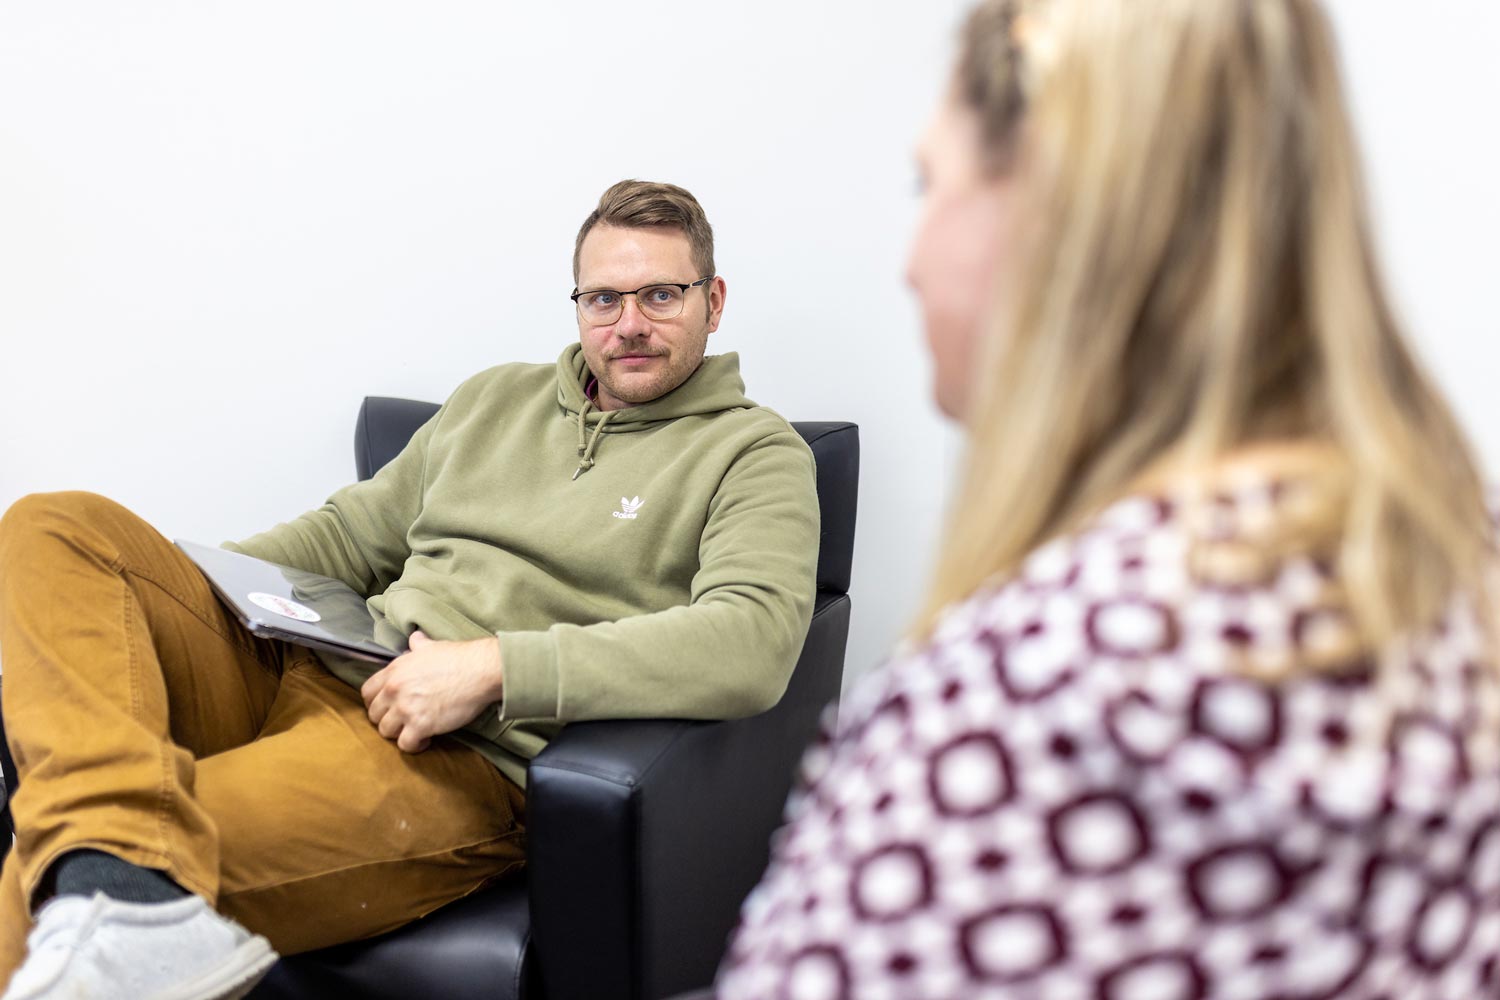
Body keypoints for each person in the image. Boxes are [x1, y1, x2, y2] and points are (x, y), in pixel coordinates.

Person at [714, 1, 1500, 997]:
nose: (909, 261)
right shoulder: (1453, 551)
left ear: (1054, 203)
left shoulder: (1030, 694)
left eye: (930, 183)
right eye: (598, 296)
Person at [0, 179, 820, 999]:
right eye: (604, 297)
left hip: (447, 759)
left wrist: (493, 668)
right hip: (310, 662)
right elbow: (346, 537)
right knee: (56, 525)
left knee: (74, 863)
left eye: (661, 295)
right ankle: (124, 877)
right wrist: (174, 593)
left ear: (712, 302)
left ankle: (119, 881)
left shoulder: (754, 452)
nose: (629, 324)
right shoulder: (496, 398)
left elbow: (749, 641)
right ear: (577, 305)